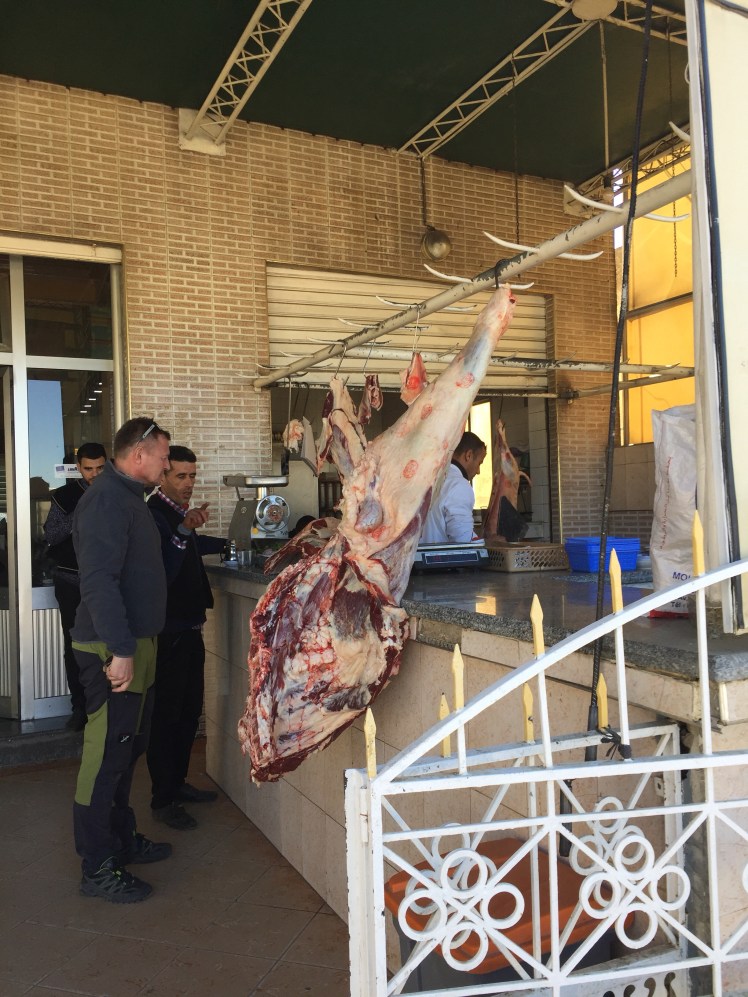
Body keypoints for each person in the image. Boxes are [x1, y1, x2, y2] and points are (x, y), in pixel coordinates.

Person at [70, 417, 172, 903]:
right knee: (105, 756)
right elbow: (98, 582)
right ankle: (97, 865)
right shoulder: (107, 500)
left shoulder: (131, 497)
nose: (166, 465)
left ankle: (120, 840)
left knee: (127, 751)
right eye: (163, 457)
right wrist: (121, 650)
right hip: (112, 648)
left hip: (136, 643)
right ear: (139, 454)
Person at [146, 445, 225, 831]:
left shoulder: (178, 515)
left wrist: (232, 543)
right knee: (167, 717)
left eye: (192, 475)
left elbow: (193, 543)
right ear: (162, 476)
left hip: (189, 628)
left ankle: (177, 784)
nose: (189, 483)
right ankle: (163, 799)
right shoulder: (155, 514)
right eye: (180, 476)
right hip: (169, 632)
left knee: (189, 712)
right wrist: (183, 531)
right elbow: (162, 569)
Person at [43, 442, 107, 731]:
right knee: (75, 646)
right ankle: (80, 707)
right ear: (79, 468)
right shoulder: (65, 496)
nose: (94, 474)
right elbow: (51, 534)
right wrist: (80, 514)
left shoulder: (116, 493)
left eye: (100, 468)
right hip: (71, 582)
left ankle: (106, 707)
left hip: (106, 582)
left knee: (110, 643)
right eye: (89, 469)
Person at [420, 431, 487, 545]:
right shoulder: (459, 485)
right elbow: (463, 541)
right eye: (479, 463)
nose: (478, 471)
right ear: (468, 455)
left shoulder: (429, 478)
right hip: (442, 557)